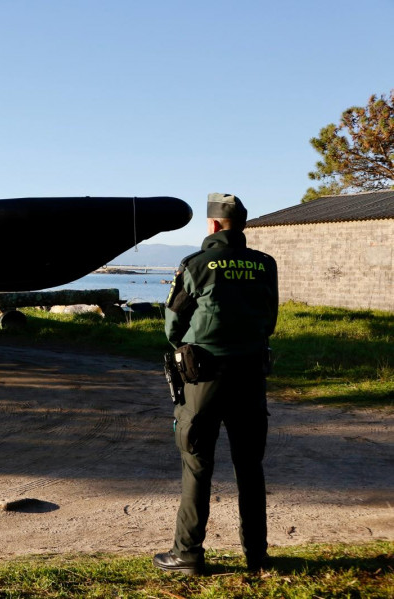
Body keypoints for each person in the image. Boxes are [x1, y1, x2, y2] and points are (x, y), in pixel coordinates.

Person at [154, 193, 279, 575]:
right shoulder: (264, 265)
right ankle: (256, 555)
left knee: (197, 464)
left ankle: (187, 554)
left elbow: (173, 326)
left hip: (203, 378)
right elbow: (269, 318)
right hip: (250, 375)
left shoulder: (195, 264)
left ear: (211, 225)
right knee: (249, 466)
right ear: (241, 225)